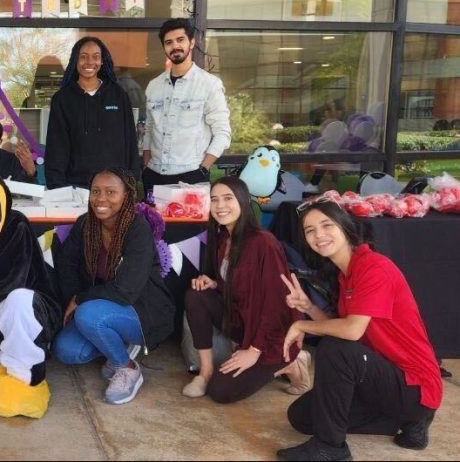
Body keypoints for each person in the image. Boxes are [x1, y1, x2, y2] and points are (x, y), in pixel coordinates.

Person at [276, 200, 441, 461]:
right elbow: (340, 327)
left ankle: (331, 448)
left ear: (345, 227)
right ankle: (404, 422)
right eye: (309, 230)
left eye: (326, 225)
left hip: (414, 385)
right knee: (301, 417)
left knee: (336, 349)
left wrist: (301, 324)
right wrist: (307, 306)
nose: (318, 235)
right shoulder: (346, 274)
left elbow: (351, 332)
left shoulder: (374, 267)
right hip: (381, 379)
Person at [53, 168, 175, 405]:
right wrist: (73, 296)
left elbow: (126, 290)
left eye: (111, 192)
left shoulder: (137, 229)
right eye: (96, 191)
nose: (101, 199)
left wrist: (80, 299)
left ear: (127, 196)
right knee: (67, 351)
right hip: (102, 306)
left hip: (142, 310)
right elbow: (66, 264)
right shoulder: (85, 224)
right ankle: (117, 343)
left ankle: (127, 368)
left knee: (89, 314)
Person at [181, 176, 308, 403]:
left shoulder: (263, 243)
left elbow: (276, 303)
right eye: (214, 200)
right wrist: (215, 283)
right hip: (242, 322)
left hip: (271, 337)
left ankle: (291, 363)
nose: (220, 206)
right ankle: (205, 372)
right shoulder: (223, 239)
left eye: (228, 198)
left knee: (221, 392)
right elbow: (241, 284)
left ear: (242, 200)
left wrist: (255, 350)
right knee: (196, 295)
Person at [142, 18, 231, 188]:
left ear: (191, 42)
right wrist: (145, 165)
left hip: (192, 175)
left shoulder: (209, 85)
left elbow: (223, 133)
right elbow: (149, 129)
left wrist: (203, 169)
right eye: (169, 42)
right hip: (154, 174)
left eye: (180, 40)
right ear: (164, 47)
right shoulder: (154, 86)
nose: (175, 46)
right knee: (151, 216)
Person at [44, 37, 140, 189]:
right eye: (83, 57)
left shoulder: (118, 95)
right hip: (75, 187)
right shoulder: (62, 99)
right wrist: (57, 187)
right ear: (75, 60)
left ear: (102, 61)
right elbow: (56, 148)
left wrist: (131, 182)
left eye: (96, 57)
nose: (89, 62)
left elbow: (130, 142)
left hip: (114, 186)